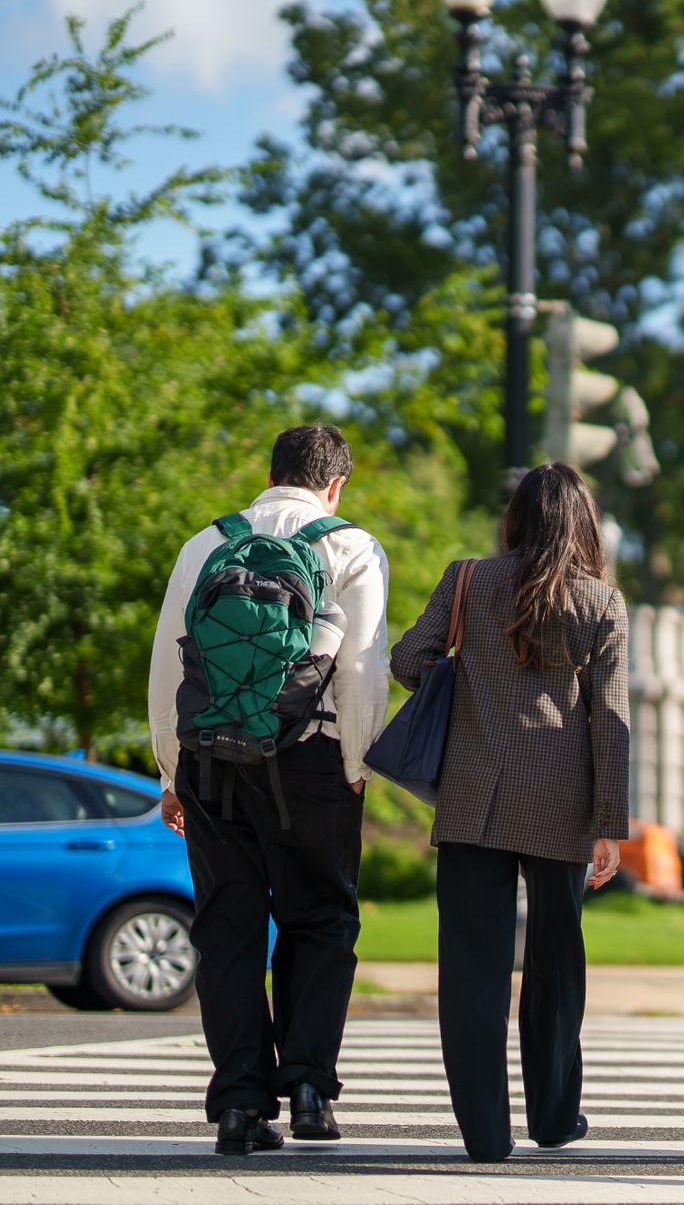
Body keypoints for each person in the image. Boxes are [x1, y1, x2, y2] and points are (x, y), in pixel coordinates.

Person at [147, 424, 390, 1155]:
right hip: (312, 757)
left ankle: (239, 1106)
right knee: (320, 917)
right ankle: (310, 1087)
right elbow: (363, 670)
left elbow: (169, 664)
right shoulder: (352, 546)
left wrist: (170, 770)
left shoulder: (205, 544)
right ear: (336, 483)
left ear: (272, 471)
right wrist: (357, 765)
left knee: (227, 927)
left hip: (214, 760)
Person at [390, 462, 631, 1164]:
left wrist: (463, 679)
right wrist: (612, 824)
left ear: (517, 518)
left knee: (472, 969)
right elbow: (609, 721)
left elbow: (410, 660)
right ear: (583, 523)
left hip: (472, 799)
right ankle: (555, 1117)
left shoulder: (469, 578)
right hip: (562, 804)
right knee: (556, 966)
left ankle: (485, 1135)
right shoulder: (601, 603)